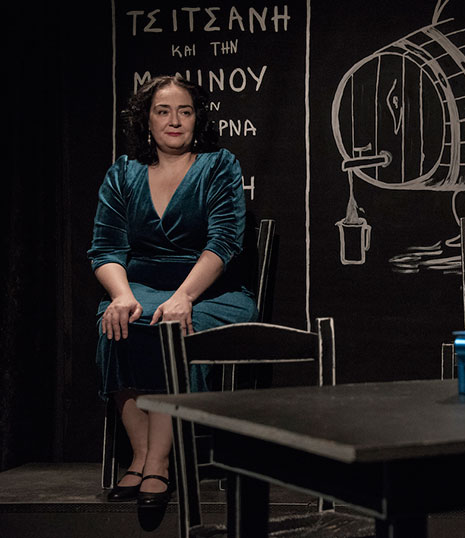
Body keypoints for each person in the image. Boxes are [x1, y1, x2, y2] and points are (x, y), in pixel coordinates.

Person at [88, 75, 257, 508]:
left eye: (185, 111)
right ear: (146, 120)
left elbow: (224, 242)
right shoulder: (123, 173)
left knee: (171, 326)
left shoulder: (218, 165)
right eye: (163, 111)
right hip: (141, 286)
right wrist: (122, 295)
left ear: (197, 119)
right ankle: (141, 453)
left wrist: (185, 296)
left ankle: (159, 463)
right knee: (118, 318)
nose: (175, 121)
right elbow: (105, 249)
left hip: (212, 292)